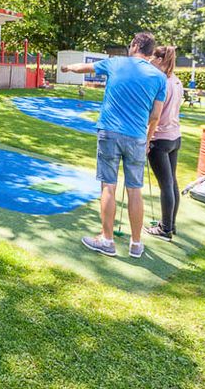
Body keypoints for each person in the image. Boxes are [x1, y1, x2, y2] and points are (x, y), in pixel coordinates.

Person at [60, 32, 167, 259]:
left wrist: (68, 68)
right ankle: (136, 244)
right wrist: (147, 139)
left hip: (109, 132)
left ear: (136, 45)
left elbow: (83, 68)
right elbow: (156, 115)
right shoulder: (159, 78)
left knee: (108, 185)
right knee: (134, 189)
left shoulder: (115, 63)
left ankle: (107, 240)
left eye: (130, 44)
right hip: (137, 137)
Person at [145, 46, 183, 241]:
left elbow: (155, 116)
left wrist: (147, 140)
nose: (149, 61)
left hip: (160, 139)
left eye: (152, 58)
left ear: (160, 59)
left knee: (166, 185)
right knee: (172, 183)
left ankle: (165, 228)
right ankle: (171, 224)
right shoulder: (176, 81)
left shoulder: (161, 82)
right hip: (175, 137)